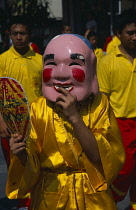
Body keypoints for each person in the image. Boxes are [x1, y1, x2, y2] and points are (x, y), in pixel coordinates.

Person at [6, 34, 125, 210]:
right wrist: (21, 153)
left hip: (92, 195)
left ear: (91, 69)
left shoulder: (99, 105)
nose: (61, 74)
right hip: (50, 195)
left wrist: (75, 118)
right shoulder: (38, 108)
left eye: (75, 64)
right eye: (51, 64)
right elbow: (33, 160)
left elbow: (102, 157)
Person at [0, 15, 43, 209]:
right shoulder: (2, 60)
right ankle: (21, 202)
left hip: (37, 122)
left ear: (30, 35)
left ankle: (37, 199)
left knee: (38, 162)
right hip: (11, 123)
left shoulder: (41, 60)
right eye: (15, 33)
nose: (18, 37)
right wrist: (1, 121)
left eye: (23, 33)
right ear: (9, 35)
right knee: (15, 164)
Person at [97, 9, 136, 210]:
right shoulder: (107, 62)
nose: (134, 37)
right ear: (118, 33)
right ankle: (108, 203)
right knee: (123, 171)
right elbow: (102, 99)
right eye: (130, 32)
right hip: (120, 125)